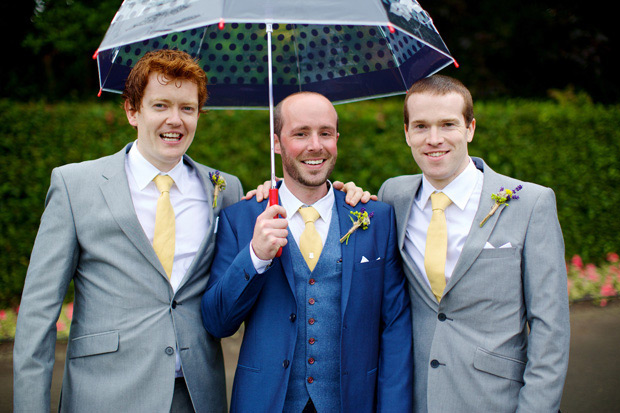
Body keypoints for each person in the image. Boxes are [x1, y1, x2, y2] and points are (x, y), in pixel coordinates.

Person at [12, 49, 244, 412]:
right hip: (104, 394)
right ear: (132, 111)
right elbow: (38, 313)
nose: (175, 120)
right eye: (160, 106)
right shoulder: (76, 185)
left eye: (187, 108)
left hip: (196, 397)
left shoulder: (225, 189)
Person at [201, 92, 413, 412]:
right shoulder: (241, 218)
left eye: (325, 133)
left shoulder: (376, 218)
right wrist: (256, 255)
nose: (316, 145)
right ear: (277, 143)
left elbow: (395, 326)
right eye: (301, 133)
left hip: (352, 401)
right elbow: (217, 322)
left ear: (336, 139)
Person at [378, 74, 570, 412]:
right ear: (406, 133)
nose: (433, 139)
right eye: (421, 126)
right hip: (416, 397)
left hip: (496, 399)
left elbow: (549, 327)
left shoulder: (530, 204)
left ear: (470, 128)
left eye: (448, 124)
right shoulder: (392, 196)